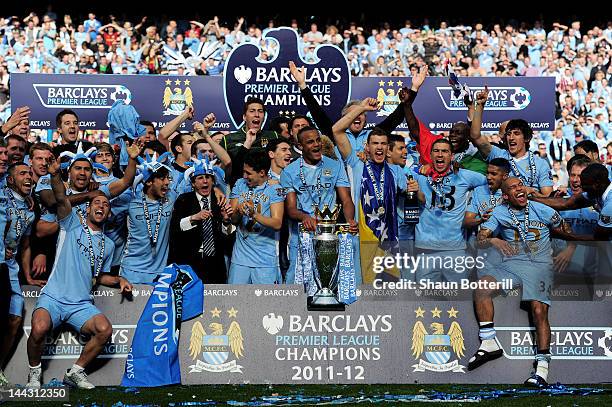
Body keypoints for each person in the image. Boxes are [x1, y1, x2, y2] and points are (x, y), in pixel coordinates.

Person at [26, 156, 132, 389]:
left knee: (104, 330)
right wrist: (55, 175)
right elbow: (61, 198)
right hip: (53, 296)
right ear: (89, 207)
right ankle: (34, 373)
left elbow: (100, 276)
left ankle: (75, 371)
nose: (101, 207)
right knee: (40, 328)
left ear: (109, 213)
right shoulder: (71, 222)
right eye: (97, 203)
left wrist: (120, 279)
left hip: (80, 303)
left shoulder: (109, 244)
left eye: (105, 205)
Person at [469, 177, 586, 386]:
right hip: (511, 267)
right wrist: (494, 239)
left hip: (539, 266)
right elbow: (481, 237)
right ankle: (488, 342)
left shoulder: (542, 209)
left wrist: (569, 249)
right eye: (513, 188)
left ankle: (541, 370)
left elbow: (565, 227)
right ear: (505, 196)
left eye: (520, 185)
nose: (519, 189)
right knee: (482, 287)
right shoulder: (499, 212)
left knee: (539, 310)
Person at [332, 98, 412, 283]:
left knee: (387, 293)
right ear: (366, 147)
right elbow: (337, 130)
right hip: (361, 235)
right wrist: (361, 108)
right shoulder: (356, 164)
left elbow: (417, 198)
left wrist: (415, 191)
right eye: (375, 144)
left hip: (389, 238)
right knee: (361, 289)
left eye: (383, 144)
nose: (379, 147)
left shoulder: (397, 171)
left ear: (387, 148)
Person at [280, 126, 356, 284]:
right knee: (297, 284)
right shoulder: (289, 172)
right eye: (310, 142)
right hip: (302, 236)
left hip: (330, 235)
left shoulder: (335, 165)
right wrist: (304, 216)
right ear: (300, 146)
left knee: (331, 281)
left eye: (318, 140)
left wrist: (350, 221)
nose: (316, 145)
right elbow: (291, 209)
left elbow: (346, 200)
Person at [470, 87, 553, 195]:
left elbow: (547, 198)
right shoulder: (498, 154)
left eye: (516, 134)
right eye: (508, 134)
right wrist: (480, 105)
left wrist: (530, 192)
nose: (511, 137)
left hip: (530, 209)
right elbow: (475, 136)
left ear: (527, 138)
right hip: (500, 209)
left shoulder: (540, 164)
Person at [0, 163, 36, 386]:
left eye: (29, 173)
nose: (29, 177)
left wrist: (28, 276)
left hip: (11, 268)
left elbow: (25, 243)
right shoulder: (2, 198)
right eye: (22, 173)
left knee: (15, 319)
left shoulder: (30, 209)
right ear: (10, 180)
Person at [119, 153, 178, 284]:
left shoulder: (171, 197)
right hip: (131, 270)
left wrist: (217, 191)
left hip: (161, 273)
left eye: (168, 178)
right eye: (162, 178)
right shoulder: (131, 200)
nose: (167, 182)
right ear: (148, 181)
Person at [229, 149, 285, 283]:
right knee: (234, 302)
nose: (244, 176)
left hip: (265, 259)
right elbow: (233, 219)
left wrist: (254, 215)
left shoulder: (274, 189)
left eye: (248, 173)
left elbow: (277, 223)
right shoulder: (239, 184)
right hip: (240, 259)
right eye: (243, 171)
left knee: (265, 304)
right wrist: (238, 211)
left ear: (262, 173)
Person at [222, 97, 279, 185]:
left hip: (269, 186)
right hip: (239, 187)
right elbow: (224, 170)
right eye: (252, 111)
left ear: (264, 117)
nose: (257, 114)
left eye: (260, 111)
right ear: (244, 117)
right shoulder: (228, 139)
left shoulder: (274, 136)